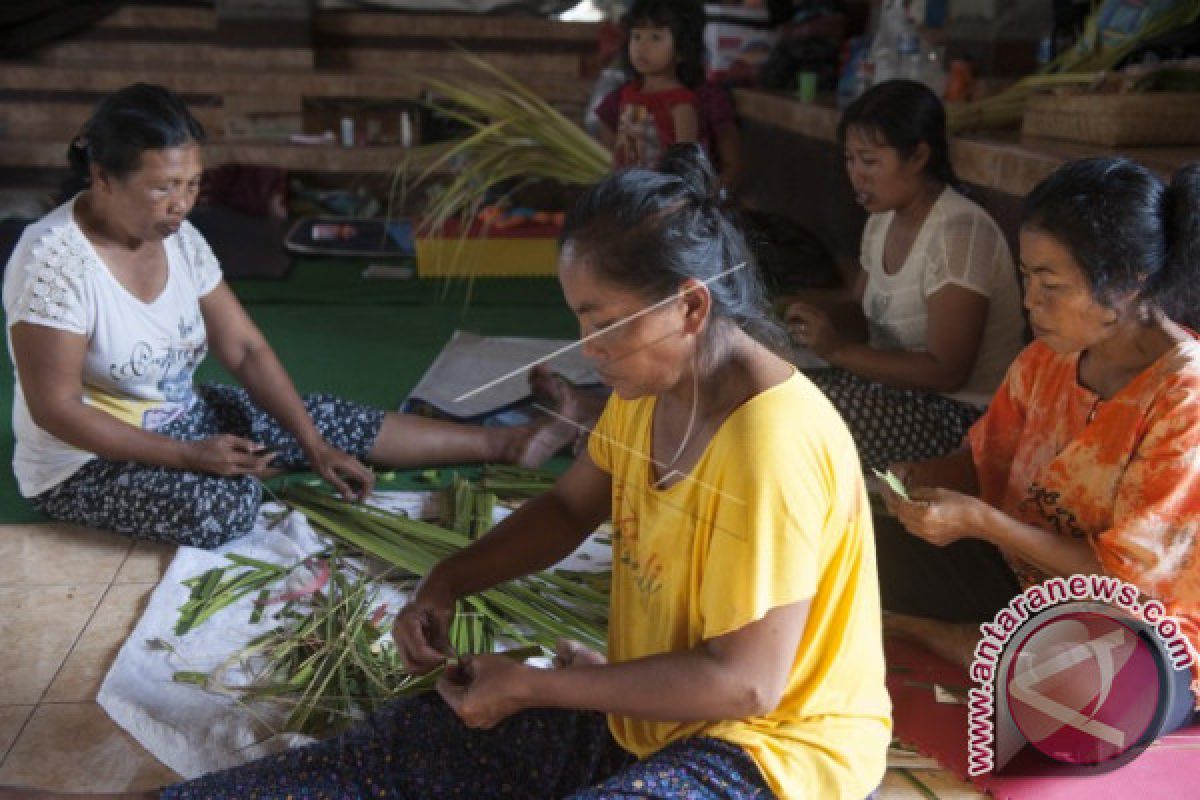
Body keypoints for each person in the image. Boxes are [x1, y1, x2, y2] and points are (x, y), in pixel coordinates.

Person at [13, 145, 890, 800]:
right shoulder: (655, 387)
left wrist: (546, 686)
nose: (585, 348)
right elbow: (565, 510)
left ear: (690, 306)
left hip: (774, 753)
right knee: (411, 743)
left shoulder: (771, 443)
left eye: (601, 321)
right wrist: (447, 580)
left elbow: (747, 683)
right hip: (662, 716)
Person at [1, 83, 570, 549]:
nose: (183, 203)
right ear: (102, 179)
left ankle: (506, 444)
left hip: (181, 421)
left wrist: (313, 444)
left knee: (324, 421)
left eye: (193, 185)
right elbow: (57, 409)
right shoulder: (53, 261)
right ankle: (243, 469)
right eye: (163, 188)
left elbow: (245, 348)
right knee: (222, 508)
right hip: (84, 464)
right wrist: (188, 456)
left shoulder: (181, 237)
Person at [878, 158, 1200, 730]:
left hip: (1137, 627)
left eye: (1051, 285)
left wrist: (983, 524)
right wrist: (914, 479)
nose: (1031, 302)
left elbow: (1122, 582)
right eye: (1028, 278)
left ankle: (920, 630)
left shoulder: (1185, 398)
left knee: (1090, 689)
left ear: (1127, 284)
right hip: (1025, 587)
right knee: (857, 539)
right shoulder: (1045, 360)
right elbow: (983, 463)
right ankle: (985, 643)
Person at [781, 80, 1025, 472]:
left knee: (801, 423)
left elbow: (948, 371)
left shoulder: (959, 233)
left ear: (918, 157)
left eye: (870, 161)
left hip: (960, 418)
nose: (857, 175)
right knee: (769, 389)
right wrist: (791, 314)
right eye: (850, 159)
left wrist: (837, 351)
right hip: (894, 395)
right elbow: (859, 313)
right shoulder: (882, 220)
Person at [596, 0, 705, 171]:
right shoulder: (628, 93)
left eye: (655, 37)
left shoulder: (681, 103)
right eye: (636, 36)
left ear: (682, 50)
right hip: (627, 187)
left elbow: (686, 163)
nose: (642, 47)